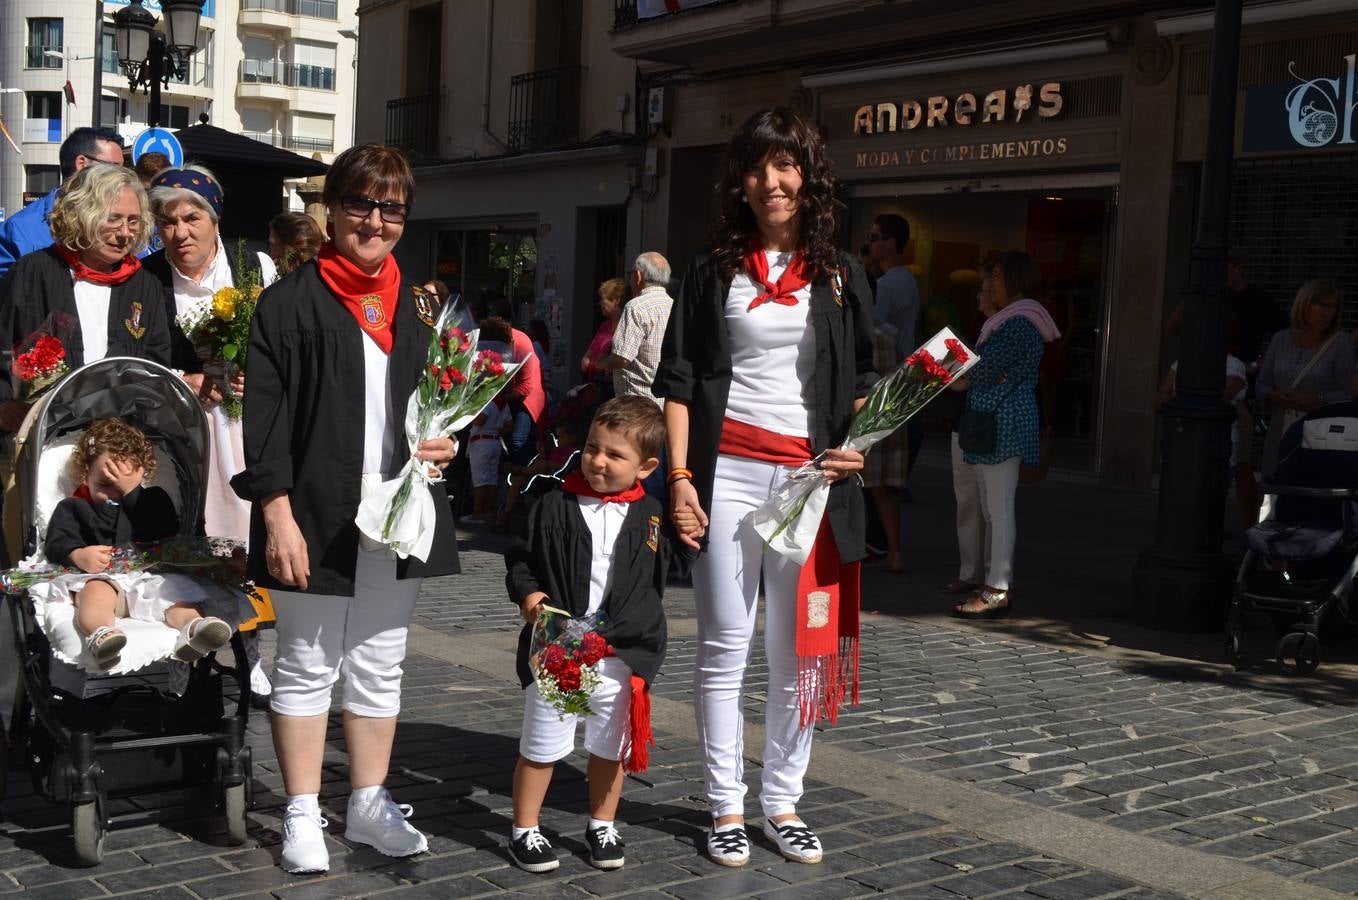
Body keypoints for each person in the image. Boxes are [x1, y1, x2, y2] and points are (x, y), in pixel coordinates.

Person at [654, 107, 877, 867]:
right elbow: (678, 378)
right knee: (723, 645)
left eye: (785, 167)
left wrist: (859, 447)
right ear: (741, 181)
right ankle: (724, 804)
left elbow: (866, 381)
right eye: (757, 168)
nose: (771, 182)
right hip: (728, 477)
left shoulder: (842, 275)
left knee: (800, 652)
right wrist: (681, 479)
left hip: (809, 483)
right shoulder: (712, 268)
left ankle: (782, 801)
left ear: (807, 177)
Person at [231, 144, 460, 874]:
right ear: (331, 211)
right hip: (314, 514)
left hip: (400, 511)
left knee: (380, 663)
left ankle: (366, 801)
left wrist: (443, 440)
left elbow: (435, 404)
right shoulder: (289, 302)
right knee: (303, 664)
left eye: (391, 207)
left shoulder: (419, 305)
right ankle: (302, 811)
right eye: (361, 204)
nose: (376, 221)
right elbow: (261, 423)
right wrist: (277, 515)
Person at [504, 396, 677, 873]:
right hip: (564, 649)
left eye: (615, 455)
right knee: (542, 746)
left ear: (646, 467)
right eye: (592, 448)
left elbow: (665, 573)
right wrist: (529, 595)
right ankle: (525, 829)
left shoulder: (653, 515)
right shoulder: (553, 503)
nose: (598, 461)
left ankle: (601, 822)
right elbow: (520, 558)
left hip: (621, 654)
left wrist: (691, 524)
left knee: (609, 746)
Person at [45, 417, 232, 671]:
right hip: (102, 578)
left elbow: (166, 532)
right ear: (84, 473)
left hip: (148, 576)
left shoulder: (152, 500)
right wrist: (77, 554)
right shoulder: (73, 507)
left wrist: (132, 494)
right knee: (95, 593)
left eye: (121, 487)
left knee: (175, 595)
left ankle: (194, 628)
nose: (113, 494)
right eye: (105, 485)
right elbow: (56, 543)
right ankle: (101, 633)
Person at [0, 164, 172, 435]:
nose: (125, 233)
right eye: (113, 219)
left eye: (133, 221)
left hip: (114, 445)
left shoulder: (145, 285)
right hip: (38, 437)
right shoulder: (33, 272)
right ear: (82, 215)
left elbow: (155, 365)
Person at [952, 250, 1060, 619]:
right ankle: (993, 583)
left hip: (1004, 423)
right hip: (993, 422)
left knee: (998, 509)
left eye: (996, 276)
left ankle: (998, 587)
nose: (990, 284)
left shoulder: (1018, 324)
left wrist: (962, 374)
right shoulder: (1010, 321)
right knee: (992, 507)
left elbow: (981, 370)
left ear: (1015, 279)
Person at [1256, 279, 1358, 477]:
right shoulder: (1280, 339)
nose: (1326, 313)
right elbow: (1262, 382)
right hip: (1281, 427)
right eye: (1320, 305)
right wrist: (1272, 396)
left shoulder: (1340, 343)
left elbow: (1350, 393)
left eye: (1332, 307)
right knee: (1277, 486)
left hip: (1321, 432)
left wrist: (1319, 399)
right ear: (1304, 304)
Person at [0, 127, 126, 278]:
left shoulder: (125, 224)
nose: (121, 177)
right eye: (114, 167)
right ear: (82, 163)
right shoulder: (19, 229)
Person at [944, 263, 996, 598]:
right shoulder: (979, 327)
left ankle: (989, 575)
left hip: (986, 425)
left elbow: (973, 380)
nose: (978, 295)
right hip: (964, 424)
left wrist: (959, 378)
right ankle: (970, 571)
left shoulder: (1002, 329)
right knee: (967, 501)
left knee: (990, 506)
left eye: (983, 288)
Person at [465, 399, 510, 524]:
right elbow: (510, 425)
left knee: (480, 480)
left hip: (481, 442)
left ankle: (478, 514)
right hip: (495, 442)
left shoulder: (488, 401)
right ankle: (489, 511)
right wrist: (496, 430)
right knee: (491, 479)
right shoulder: (503, 403)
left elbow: (479, 421)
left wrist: (467, 414)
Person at [581, 278, 626, 388]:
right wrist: (597, 365)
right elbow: (585, 360)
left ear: (616, 301)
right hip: (597, 385)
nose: (600, 304)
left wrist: (595, 364)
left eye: (603, 299)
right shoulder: (605, 326)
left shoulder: (627, 327)